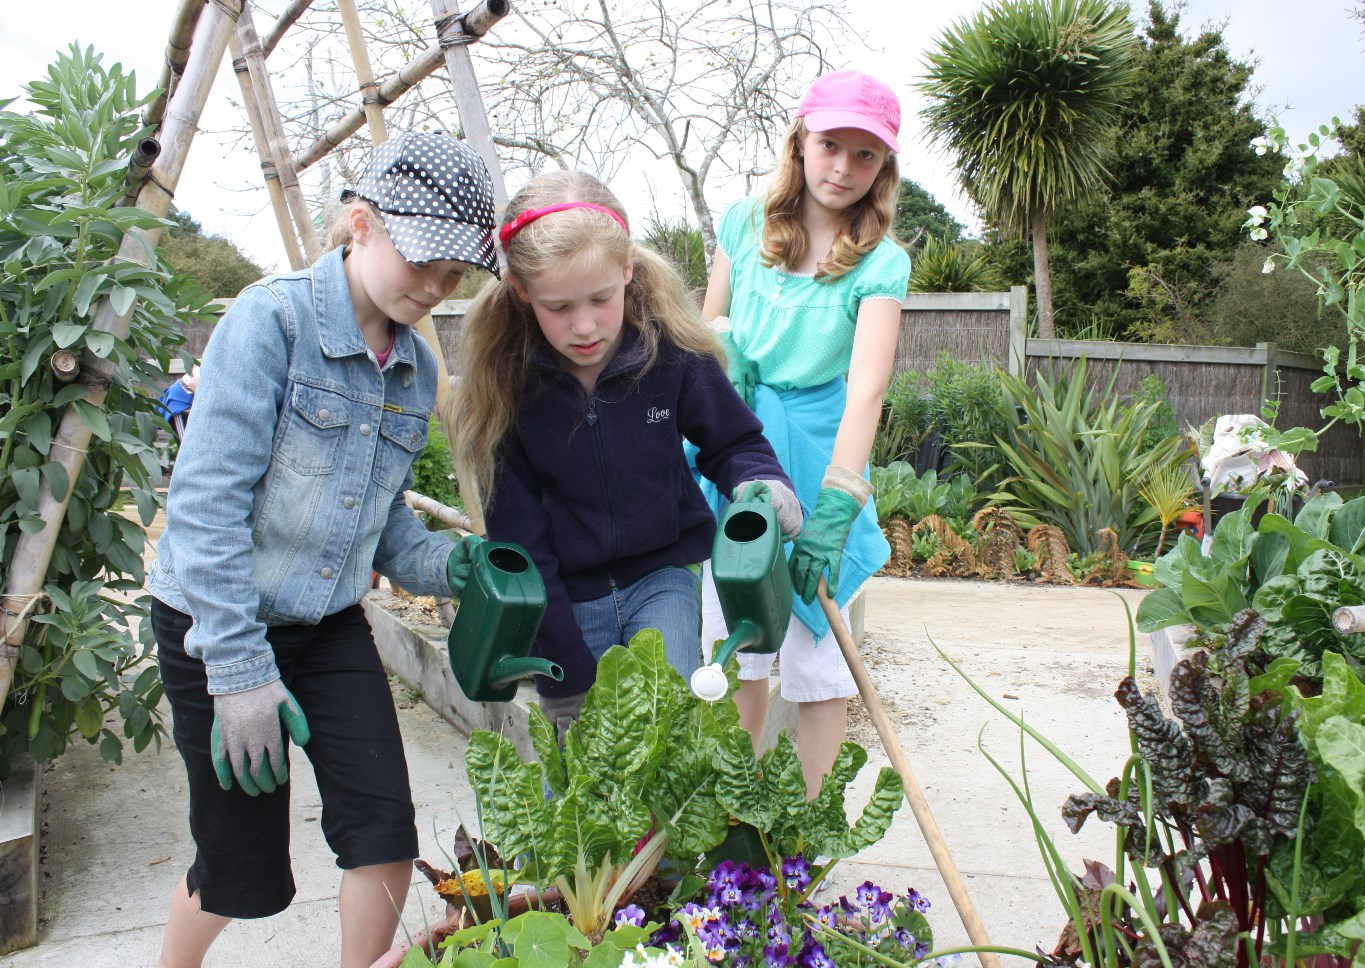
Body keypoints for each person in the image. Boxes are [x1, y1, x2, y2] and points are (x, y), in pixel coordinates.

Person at [145, 132, 499, 968]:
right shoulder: (270, 323)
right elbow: (203, 510)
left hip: (331, 623)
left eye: (456, 273)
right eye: (424, 260)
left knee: (383, 832)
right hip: (215, 622)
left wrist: (453, 565)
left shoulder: (415, 366)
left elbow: (382, 525)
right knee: (240, 869)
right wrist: (237, 672)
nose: (437, 286)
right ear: (361, 224)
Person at [447, 170, 802, 736]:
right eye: (558, 307)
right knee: (584, 760)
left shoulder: (674, 353)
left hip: (662, 578)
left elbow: (734, 441)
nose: (584, 326)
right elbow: (521, 545)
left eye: (601, 299)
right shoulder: (507, 389)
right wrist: (564, 678)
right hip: (567, 598)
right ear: (523, 293)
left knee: (665, 733)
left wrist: (762, 480)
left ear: (628, 270)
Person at [697, 70, 909, 799]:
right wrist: (728, 368)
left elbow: (868, 389)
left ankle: (808, 833)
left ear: (884, 168)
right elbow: (710, 327)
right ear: (799, 141)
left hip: (823, 448)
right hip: (738, 447)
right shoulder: (741, 224)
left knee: (818, 660)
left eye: (865, 156)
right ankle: (732, 812)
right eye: (830, 146)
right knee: (738, 645)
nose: (843, 168)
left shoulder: (882, 262)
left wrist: (835, 507)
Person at [158, 363, 201, 441]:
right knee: (185, 443)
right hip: (180, 403)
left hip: (192, 400)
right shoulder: (200, 370)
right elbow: (194, 382)